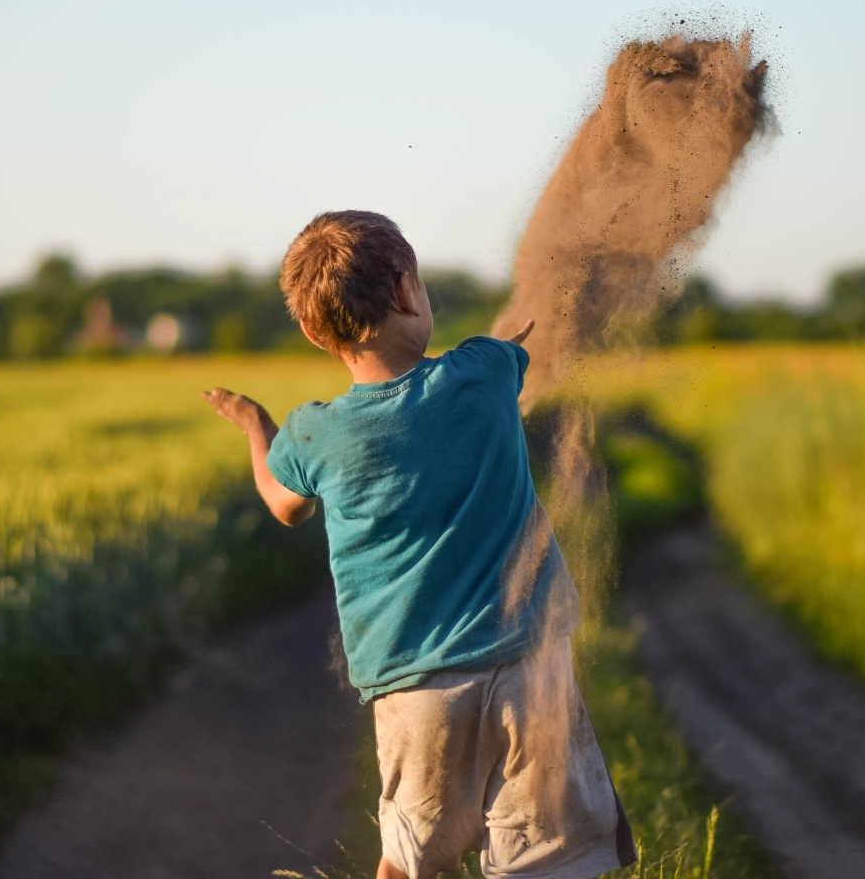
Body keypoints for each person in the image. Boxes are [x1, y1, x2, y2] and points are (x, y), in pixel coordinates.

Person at [204, 210, 635, 879]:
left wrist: (256, 426)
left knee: (409, 861)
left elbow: (283, 505)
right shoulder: (484, 370)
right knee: (549, 861)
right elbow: (515, 348)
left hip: (417, 689)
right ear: (407, 290)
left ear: (315, 332)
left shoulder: (313, 436)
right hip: (532, 667)